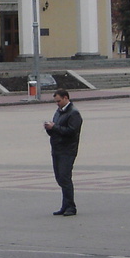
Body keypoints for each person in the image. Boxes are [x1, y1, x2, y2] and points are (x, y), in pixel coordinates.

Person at [44, 89, 83, 217]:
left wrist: (54, 127)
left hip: (67, 150)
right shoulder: (59, 112)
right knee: (59, 178)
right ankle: (65, 205)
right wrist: (49, 129)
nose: (57, 104)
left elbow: (71, 131)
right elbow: (57, 130)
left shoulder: (74, 113)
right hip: (56, 149)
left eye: (59, 101)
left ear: (66, 98)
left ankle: (71, 207)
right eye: (56, 101)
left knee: (65, 178)